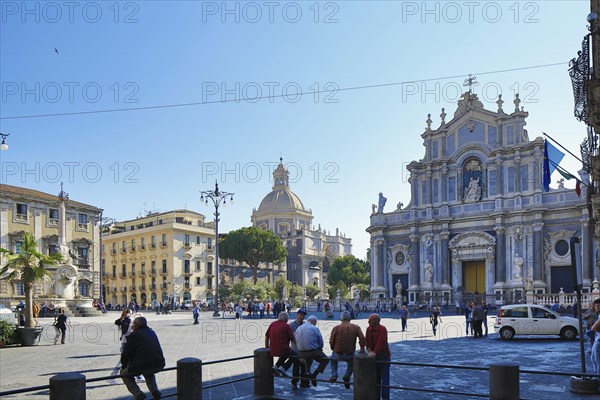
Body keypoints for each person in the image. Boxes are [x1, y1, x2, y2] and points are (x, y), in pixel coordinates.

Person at [121, 317, 165, 400]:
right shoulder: (151, 332)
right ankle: (155, 391)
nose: (132, 326)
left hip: (143, 364)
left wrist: (124, 365)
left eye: (133, 324)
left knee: (124, 374)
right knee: (148, 371)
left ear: (136, 325)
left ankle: (138, 394)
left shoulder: (134, 335)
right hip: (159, 362)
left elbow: (126, 353)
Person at [329, 310, 366, 389]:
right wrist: (362, 348)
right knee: (351, 364)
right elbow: (362, 338)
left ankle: (334, 374)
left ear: (341, 319)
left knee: (333, 360)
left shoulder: (336, 328)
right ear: (350, 318)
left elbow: (331, 341)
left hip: (338, 353)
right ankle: (347, 375)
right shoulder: (356, 327)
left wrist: (333, 349)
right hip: (349, 354)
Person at [295, 315, 330, 387]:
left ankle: (308, 372)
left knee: (308, 358)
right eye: (315, 322)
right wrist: (319, 349)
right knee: (326, 360)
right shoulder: (314, 328)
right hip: (313, 352)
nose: (315, 324)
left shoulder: (298, 328)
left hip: (301, 353)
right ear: (313, 321)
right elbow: (321, 342)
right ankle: (314, 374)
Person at [265, 312, 296, 379]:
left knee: (286, 351)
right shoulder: (286, 326)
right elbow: (293, 339)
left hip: (272, 349)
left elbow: (267, 335)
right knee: (295, 355)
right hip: (283, 350)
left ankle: (275, 367)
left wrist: (266, 346)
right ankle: (283, 368)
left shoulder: (272, 324)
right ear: (285, 319)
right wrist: (299, 346)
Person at [366, 314, 390, 400]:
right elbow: (367, 341)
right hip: (374, 357)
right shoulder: (368, 329)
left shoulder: (382, 329)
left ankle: (385, 398)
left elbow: (381, 341)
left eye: (370, 320)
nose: (368, 321)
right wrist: (369, 350)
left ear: (376, 321)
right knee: (376, 380)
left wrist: (374, 352)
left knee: (385, 381)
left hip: (383, 356)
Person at [284, 308, 307, 389]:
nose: (302, 316)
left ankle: (304, 382)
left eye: (303, 315)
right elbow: (291, 337)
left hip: (304, 350)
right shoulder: (292, 325)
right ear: (297, 315)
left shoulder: (305, 324)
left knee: (304, 366)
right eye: (300, 315)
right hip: (296, 350)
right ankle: (294, 382)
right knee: (296, 367)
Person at [588, 299, 600, 376]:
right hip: (596, 339)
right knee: (593, 359)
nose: (596, 307)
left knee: (598, 361)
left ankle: (598, 378)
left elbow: (594, 328)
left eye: (597, 306)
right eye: (595, 306)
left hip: (599, 340)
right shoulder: (598, 314)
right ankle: (596, 375)